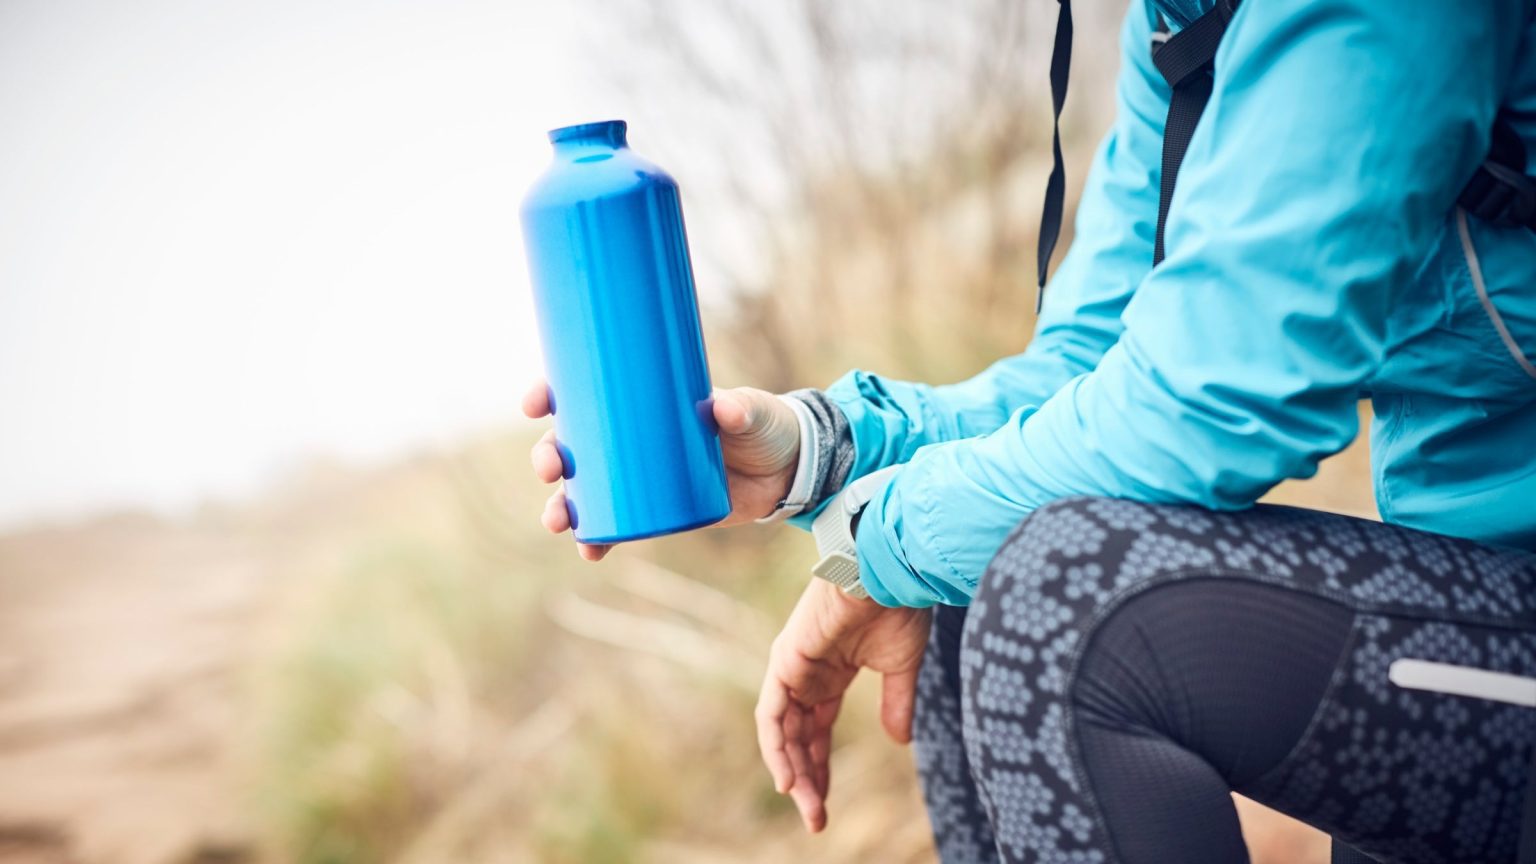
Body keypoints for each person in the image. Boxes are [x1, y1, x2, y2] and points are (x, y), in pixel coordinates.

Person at [525, 0, 1536, 860]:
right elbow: (1090, 369)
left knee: (1060, 591)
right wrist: (815, 448)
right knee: (989, 560)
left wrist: (873, 552)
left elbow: (1216, 404)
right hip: (1480, 589)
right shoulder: (1183, 22)